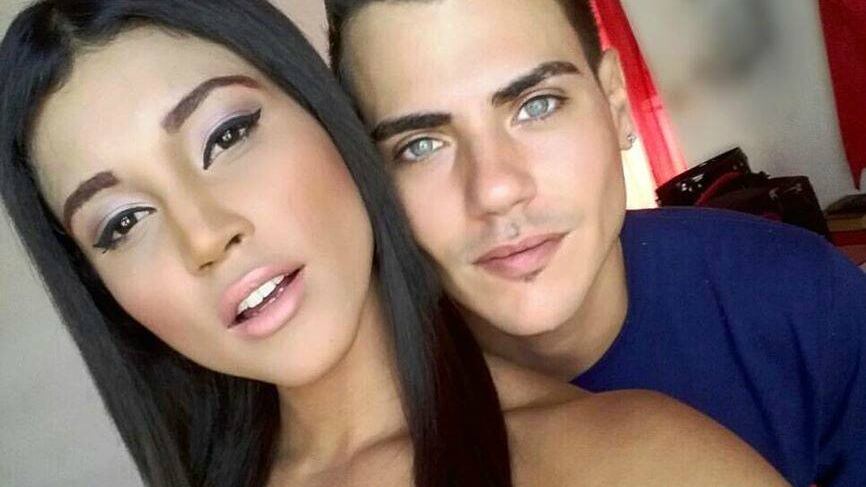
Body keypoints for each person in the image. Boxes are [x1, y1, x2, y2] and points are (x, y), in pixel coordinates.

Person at [0, 1, 790, 486]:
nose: (206, 235)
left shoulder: (633, 460)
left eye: (227, 135)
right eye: (121, 222)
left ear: (331, 119)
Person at [325, 0, 866, 485]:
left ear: (616, 103)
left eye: (537, 105)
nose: (496, 189)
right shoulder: (362, 430)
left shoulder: (805, 298)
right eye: (420, 145)